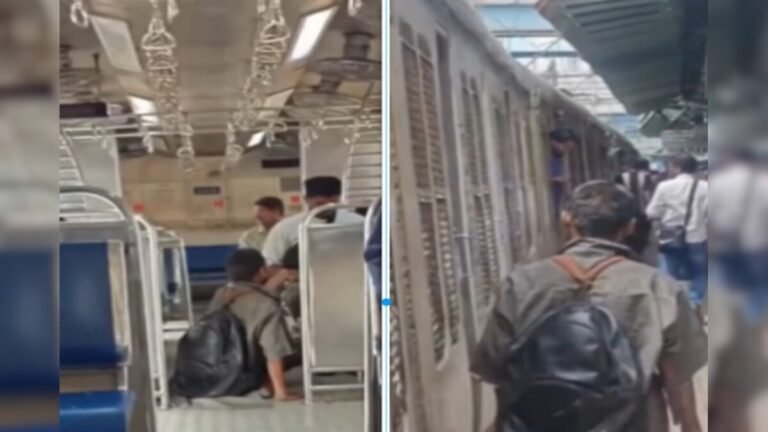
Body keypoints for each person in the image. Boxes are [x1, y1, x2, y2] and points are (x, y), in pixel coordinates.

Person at [471, 180, 706, 432]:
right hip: (634, 423)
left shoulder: (520, 284)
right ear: (630, 226)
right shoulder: (658, 286)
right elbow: (676, 374)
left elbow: (494, 367)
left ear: (566, 219)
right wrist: (690, 424)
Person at [208, 249, 299, 401]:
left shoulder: (221, 294)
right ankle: (269, 385)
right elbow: (273, 350)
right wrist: (281, 393)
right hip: (244, 372)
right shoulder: (265, 304)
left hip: (215, 368)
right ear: (262, 271)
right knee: (297, 348)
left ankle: (266, 384)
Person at [646, 155, 708, 315]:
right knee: (700, 272)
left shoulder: (664, 186)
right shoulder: (706, 187)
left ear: (677, 168)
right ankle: (695, 302)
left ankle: (672, 305)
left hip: (670, 237)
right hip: (698, 237)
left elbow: (651, 212)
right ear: (695, 169)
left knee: (669, 272)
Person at [261, 176, 364, 265]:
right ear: (306, 200)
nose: (327, 208)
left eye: (333, 202)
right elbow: (271, 261)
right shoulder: (285, 228)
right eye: (320, 204)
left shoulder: (358, 222)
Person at [616, 158, 657, 262]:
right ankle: (639, 251)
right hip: (642, 210)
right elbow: (649, 193)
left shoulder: (620, 176)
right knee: (642, 231)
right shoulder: (646, 176)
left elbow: (618, 193)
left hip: (626, 210)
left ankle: (630, 249)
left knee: (628, 231)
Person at [549, 129, 578, 216]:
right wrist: (555, 180)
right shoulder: (547, 158)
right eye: (566, 147)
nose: (566, 151)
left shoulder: (559, 159)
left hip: (557, 205)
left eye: (569, 149)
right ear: (554, 142)